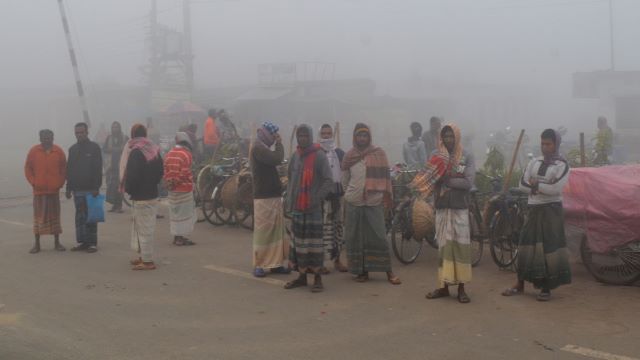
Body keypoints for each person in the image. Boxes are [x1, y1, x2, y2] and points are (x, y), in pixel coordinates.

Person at [502, 129, 571, 301]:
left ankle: (546, 288)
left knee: (549, 248)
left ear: (556, 144)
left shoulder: (562, 165)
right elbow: (522, 184)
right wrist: (542, 184)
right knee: (526, 244)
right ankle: (520, 283)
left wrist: (535, 184)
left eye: (548, 144)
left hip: (551, 210)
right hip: (533, 209)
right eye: (543, 143)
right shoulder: (534, 161)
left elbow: (556, 189)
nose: (545, 147)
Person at [413, 124, 475, 303]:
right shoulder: (435, 155)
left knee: (461, 248)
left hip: (459, 208)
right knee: (444, 248)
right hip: (441, 207)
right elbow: (430, 179)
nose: (448, 139)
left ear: (457, 136)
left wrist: (446, 180)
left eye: (451, 136)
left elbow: (468, 182)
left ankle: (462, 288)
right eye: (445, 136)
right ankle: (443, 286)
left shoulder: (466, 155)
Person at [342, 123, 401, 285]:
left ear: (369, 137)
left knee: (379, 237)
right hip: (354, 202)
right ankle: (362, 271)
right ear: (355, 137)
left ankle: (388, 272)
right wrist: (351, 193)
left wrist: (379, 193)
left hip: (373, 202)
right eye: (359, 135)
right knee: (356, 238)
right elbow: (344, 180)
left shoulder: (378, 153)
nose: (362, 138)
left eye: (365, 135)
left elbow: (385, 177)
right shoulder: (349, 156)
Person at [284, 124, 333, 292]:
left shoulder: (319, 156)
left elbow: (328, 181)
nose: (302, 138)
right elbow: (290, 179)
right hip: (297, 208)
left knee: (314, 245)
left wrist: (316, 198)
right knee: (299, 245)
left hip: (313, 210)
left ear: (310, 137)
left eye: (305, 135)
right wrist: (289, 202)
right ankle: (302, 276)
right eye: (300, 135)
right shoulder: (295, 156)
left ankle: (317, 278)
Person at [250, 122, 290, 277]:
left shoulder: (262, 146)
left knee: (276, 232)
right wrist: (280, 144)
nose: (275, 137)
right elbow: (277, 159)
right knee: (263, 232)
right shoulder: (258, 148)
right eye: (274, 135)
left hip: (272, 195)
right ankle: (259, 264)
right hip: (263, 196)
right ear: (268, 134)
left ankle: (276, 263)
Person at [121, 124, 164, 270]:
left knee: (144, 229)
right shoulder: (154, 149)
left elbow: (133, 176)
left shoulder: (136, 152)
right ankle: (143, 257)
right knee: (145, 227)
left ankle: (147, 261)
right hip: (152, 193)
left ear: (132, 135)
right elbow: (160, 172)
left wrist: (129, 189)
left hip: (140, 196)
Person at [24, 129, 67, 254]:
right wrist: (34, 182)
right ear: (40, 138)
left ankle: (57, 242)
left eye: (49, 137)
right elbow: (28, 168)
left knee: (55, 217)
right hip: (39, 191)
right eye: (44, 137)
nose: (46, 140)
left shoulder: (58, 151)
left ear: (53, 138)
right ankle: (37, 244)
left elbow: (64, 169)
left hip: (54, 191)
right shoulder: (33, 151)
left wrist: (60, 183)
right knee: (39, 218)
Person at [66, 122, 102, 253]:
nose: (79, 135)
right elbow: (69, 169)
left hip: (91, 190)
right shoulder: (72, 149)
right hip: (77, 190)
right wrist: (68, 188)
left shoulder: (94, 148)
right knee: (79, 217)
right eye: (77, 133)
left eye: (81, 132)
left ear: (87, 132)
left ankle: (92, 243)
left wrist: (96, 187)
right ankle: (82, 242)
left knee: (91, 217)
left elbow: (98, 169)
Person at [318, 124, 348, 273]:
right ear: (320, 135)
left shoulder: (340, 153)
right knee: (323, 229)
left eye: (329, 133)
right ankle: (321, 263)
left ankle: (337, 260)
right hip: (323, 198)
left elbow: (346, 171)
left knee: (338, 229)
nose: (326, 136)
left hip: (338, 196)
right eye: (323, 133)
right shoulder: (317, 153)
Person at [164, 132, 196, 247]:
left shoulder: (169, 154)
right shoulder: (186, 154)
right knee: (184, 215)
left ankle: (176, 237)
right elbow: (185, 172)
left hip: (172, 189)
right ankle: (180, 238)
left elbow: (166, 170)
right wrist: (176, 181)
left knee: (175, 214)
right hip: (184, 189)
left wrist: (170, 183)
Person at [103, 121, 129, 213]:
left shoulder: (125, 138)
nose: (115, 129)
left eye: (116, 127)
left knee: (119, 186)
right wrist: (111, 150)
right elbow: (104, 149)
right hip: (111, 166)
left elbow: (129, 149)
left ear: (119, 128)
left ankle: (119, 206)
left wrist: (121, 150)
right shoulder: (108, 138)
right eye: (113, 127)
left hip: (121, 166)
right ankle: (114, 205)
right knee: (111, 187)